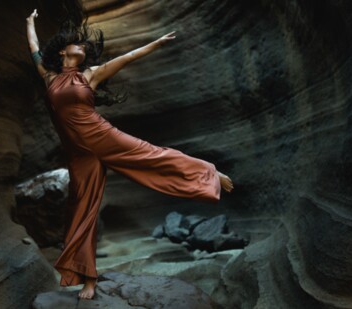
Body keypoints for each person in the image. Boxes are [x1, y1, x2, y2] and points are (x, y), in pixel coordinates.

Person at [26, 9, 233, 300]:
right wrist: (30, 22)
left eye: (85, 47)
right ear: (62, 51)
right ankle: (88, 280)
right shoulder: (48, 78)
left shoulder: (90, 75)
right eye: (78, 44)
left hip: (101, 136)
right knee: (81, 214)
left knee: (152, 155)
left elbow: (127, 58)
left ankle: (210, 171)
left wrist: (156, 44)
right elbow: (34, 50)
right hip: (79, 155)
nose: (83, 48)